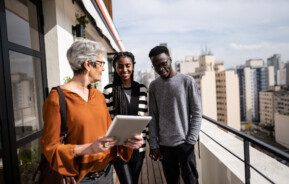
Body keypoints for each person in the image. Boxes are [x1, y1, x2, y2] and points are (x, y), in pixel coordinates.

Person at [41, 40, 144, 183]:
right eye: (101, 63)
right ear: (88, 64)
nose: (103, 68)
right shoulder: (57, 99)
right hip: (81, 179)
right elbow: (50, 148)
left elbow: (109, 137)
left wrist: (126, 142)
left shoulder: (98, 96)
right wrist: (88, 148)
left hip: (107, 173)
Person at [148, 46, 202, 184]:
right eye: (156, 66)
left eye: (163, 63)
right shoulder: (153, 86)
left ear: (170, 60)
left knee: (191, 181)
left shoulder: (187, 81)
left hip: (185, 143)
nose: (160, 68)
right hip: (164, 146)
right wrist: (154, 144)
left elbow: (197, 112)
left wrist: (191, 140)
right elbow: (153, 116)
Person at [103, 52, 148, 184]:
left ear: (133, 66)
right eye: (120, 66)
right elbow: (106, 119)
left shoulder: (142, 89)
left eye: (128, 65)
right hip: (118, 146)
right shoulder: (109, 90)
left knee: (133, 180)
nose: (124, 70)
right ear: (115, 68)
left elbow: (145, 118)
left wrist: (153, 144)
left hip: (138, 146)